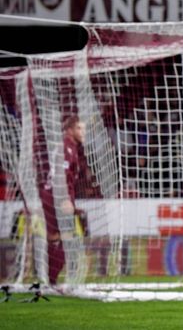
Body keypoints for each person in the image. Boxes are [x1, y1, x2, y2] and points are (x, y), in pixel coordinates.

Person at [38, 115, 90, 285]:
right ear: (69, 130)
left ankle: (49, 280)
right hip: (56, 196)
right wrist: (66, 199)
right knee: (63, 237)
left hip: (52, 195)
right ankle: (50, 280)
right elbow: (61, 176)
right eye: (79, 129)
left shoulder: (70, 147)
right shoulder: (66, 148)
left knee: (56, 238)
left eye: (83, 129)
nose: (83, 132)